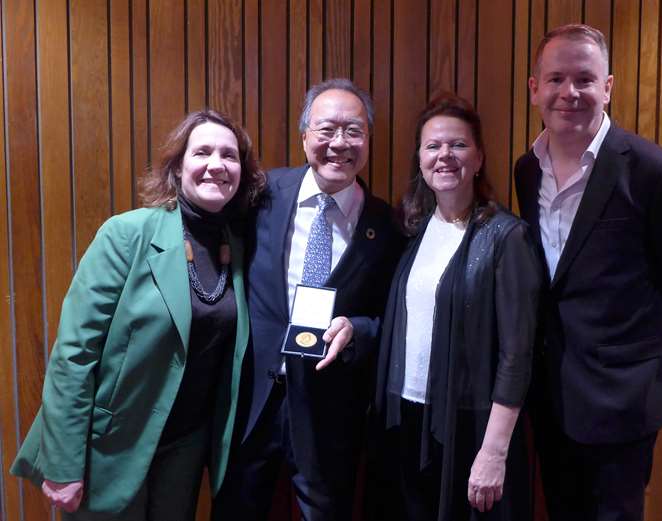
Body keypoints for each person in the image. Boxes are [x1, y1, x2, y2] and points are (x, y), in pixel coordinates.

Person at [10, 110, 264, 520]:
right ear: (178, 167)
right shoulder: (127, 233)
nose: (217, 164)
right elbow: (74, 353)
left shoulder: (238, 245)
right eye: (202, 152)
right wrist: (62, 462)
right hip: (111, 445)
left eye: (229, 155)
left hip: (184, 447)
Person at [513, 24, 662, 521]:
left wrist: (637, 356)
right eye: (556, 78)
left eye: (585, 79)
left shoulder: (657, 173)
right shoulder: (527, 170)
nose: (570, 92)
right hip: (551, 393)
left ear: (608, 87)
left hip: (622, 401)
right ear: (534, 87)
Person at [213, 78, 404, 521]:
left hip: (328, 407)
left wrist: (358, 329)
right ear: (304, 138)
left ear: (369, 140)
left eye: (354, 131)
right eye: (326, 130)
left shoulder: (386, 227)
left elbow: (389, 318)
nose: (340, 143)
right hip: (252, 400)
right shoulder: (260, 195)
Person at [370, 94, 542, 521]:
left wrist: (493, 451)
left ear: (479, 157)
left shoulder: (507, 237)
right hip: (404, 418)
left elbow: (517, 355)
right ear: (420, 159)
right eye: (433, 146)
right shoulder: (411, 230)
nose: (444, 155)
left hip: (470, 427)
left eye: (458, 145)